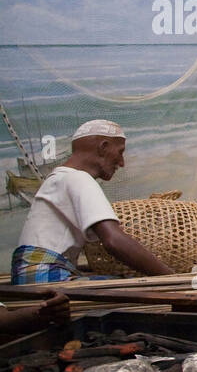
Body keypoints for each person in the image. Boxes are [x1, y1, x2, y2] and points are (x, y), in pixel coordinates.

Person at [10, 120, 174, 284]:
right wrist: (171, 277)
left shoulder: (59, 177)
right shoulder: (78, 178)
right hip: (45, 276)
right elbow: (114, 241)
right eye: (120, 152)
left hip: (29, 274)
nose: (122, 163)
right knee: (141, 287)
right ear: (103, 147)